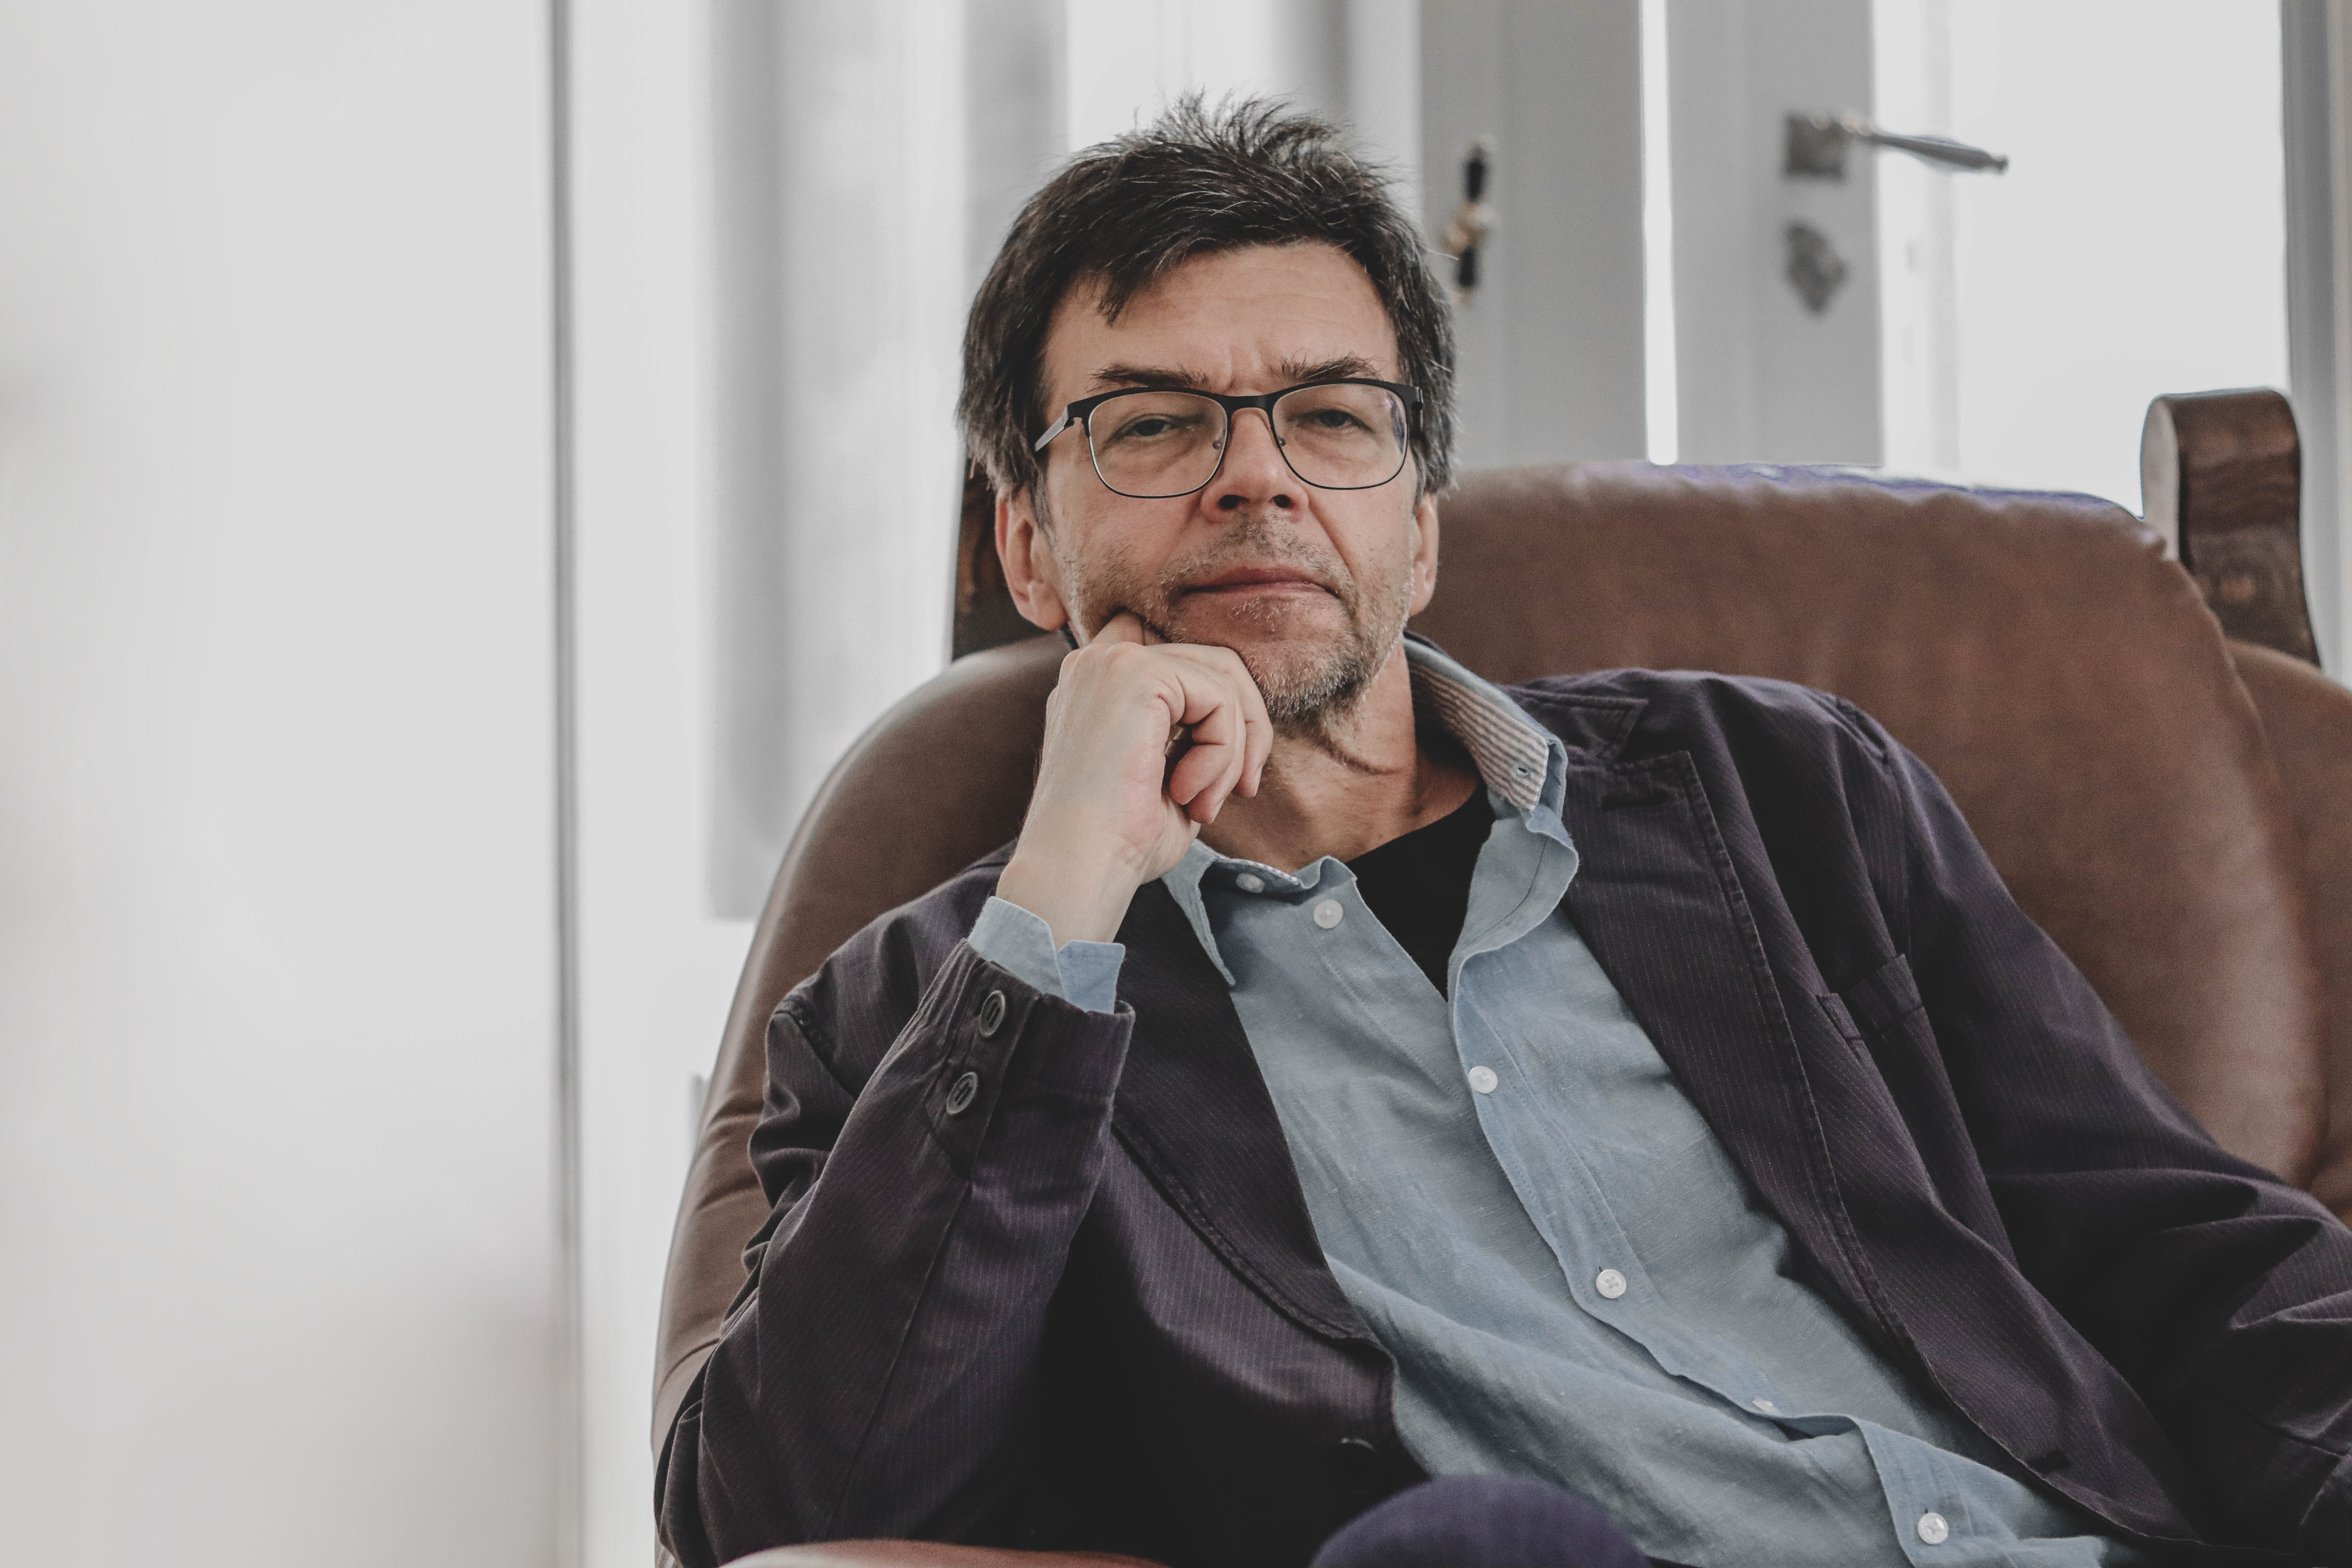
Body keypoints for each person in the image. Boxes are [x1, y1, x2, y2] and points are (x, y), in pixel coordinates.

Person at [656, 98, 2352, 1568]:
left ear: (1420, 528)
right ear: (1028, 546)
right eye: (1155, 424)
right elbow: (789, 1512)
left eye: (1331, 415)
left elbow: (2181, 1242)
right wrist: (1060, 906)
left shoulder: (1786, 790)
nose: (1260, 481)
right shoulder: (932, 1005)